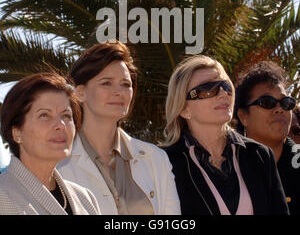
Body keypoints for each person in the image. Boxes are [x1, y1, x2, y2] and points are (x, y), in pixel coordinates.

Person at [57, 42, 180, 215]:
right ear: (79, 92)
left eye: (126, 84)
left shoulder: (156, 159)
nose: (119, 92)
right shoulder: (56, 164)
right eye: (106, 83)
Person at [162, 55, 289, 215]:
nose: (223, 93)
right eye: (208, 89)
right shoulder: (166, 164)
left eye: (226, 86)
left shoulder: (260, 156)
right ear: (184, 109)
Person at [0, 73, 101, 215]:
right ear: (17, 133)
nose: (61, 125)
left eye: (66, 115)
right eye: (44, 115)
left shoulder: (85, 198)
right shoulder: (3, 196)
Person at [234, 61, 300, 215]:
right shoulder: (227, 166)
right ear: (243, 116)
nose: (279, 109)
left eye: (286, 103)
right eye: (267, 103)